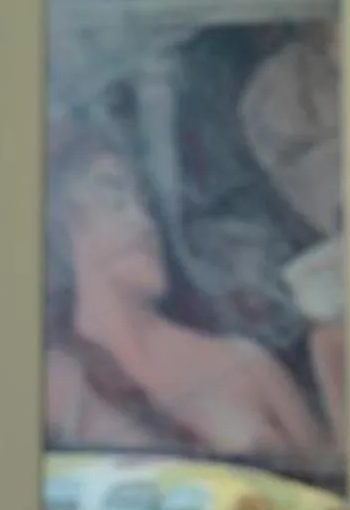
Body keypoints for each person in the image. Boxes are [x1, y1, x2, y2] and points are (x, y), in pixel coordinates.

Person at [45, 126, 334, 470]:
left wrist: (331, 352)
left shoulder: (246, 364)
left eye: (145, 205)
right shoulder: (51, 383)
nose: (144, 222)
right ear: (65, 232)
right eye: (115, 201)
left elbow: (333, 503)